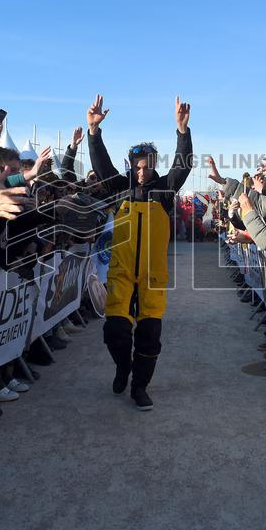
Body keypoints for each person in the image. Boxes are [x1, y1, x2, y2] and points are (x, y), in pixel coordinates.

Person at [86, 94, 193, 410]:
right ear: (130, 166)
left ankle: (140, 387)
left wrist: (182, 132)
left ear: (153, 166)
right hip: (120, 275)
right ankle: (122, 366)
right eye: (137, 166)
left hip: (153, 278)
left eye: (146, 167)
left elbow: (182, 165)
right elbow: (100, 165)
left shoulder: (165, 190)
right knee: (115, 332)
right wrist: (94, 132)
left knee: (150, 338)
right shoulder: (119, 188)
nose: (142, 172)